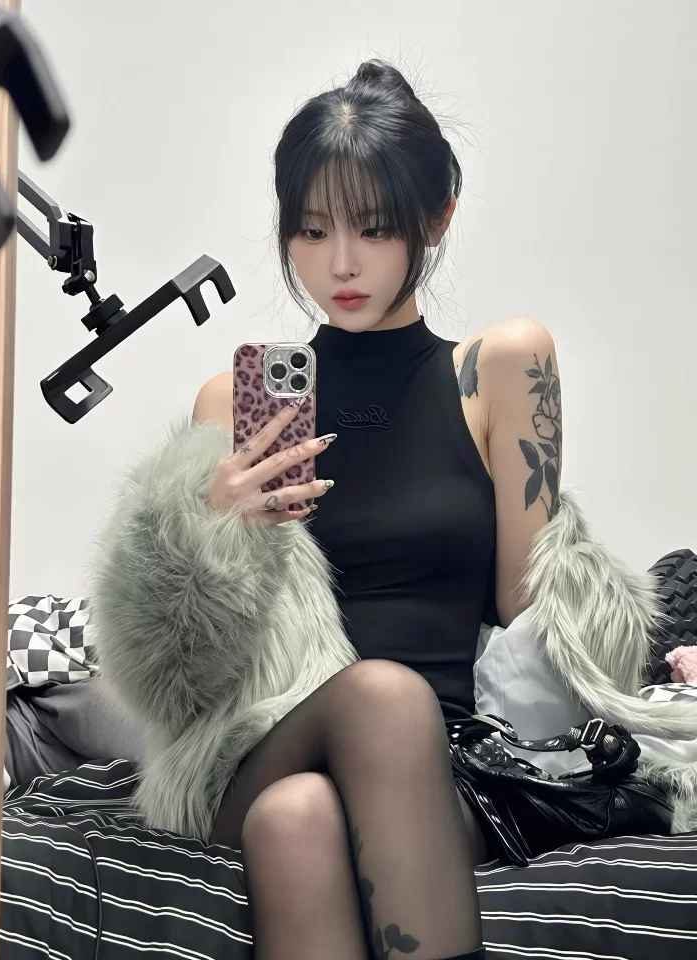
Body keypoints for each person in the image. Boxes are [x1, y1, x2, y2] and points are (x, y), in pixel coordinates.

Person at [185, 58, 563, 960]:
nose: (341, 263)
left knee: (298, 816)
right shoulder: (229, 404)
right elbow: (195, 667)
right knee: (372, 700)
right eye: (312, 231)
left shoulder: (500, 369)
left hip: (440, 763)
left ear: (437, 217)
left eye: (374, 227)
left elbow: (527, 606)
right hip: (270, 739)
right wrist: (212, 533)